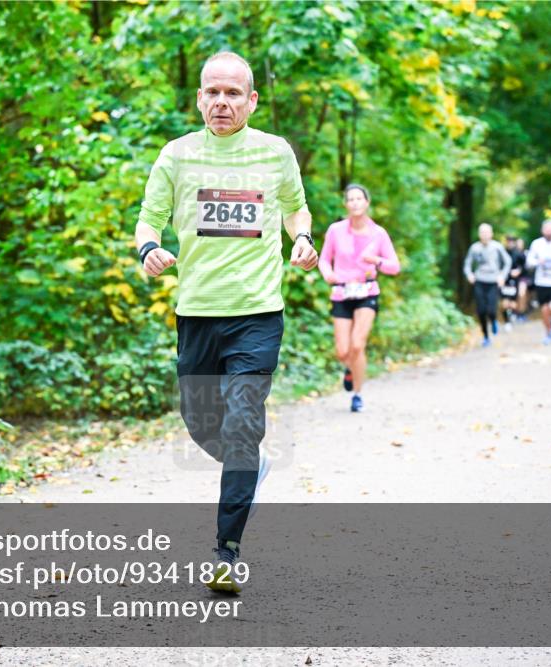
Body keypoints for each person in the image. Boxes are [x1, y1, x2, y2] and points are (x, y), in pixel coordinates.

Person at [134, 51, 318, 593]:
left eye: (233, 93)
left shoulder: (275, 152)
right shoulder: (176, 156)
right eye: (212, 92)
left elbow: (295, 207)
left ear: (251, 100)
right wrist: (149, 247)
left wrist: (302, 238)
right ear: (198, 98)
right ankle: (248, 467)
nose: (222, 102)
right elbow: (150, 218)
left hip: (258, 313)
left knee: (241, 424)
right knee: (202, 425)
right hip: (197, 312)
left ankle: (227, 552)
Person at [318, 184, 400, 412]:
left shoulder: (378, 234)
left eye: (359, 198)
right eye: (350, 199)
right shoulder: (335, 230)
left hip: (367, 292)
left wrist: (376, 260)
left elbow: (394, 266)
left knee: (357, 344)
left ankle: (357, 394)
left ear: (367, 202)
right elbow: (324, 259)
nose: (355, 202)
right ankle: (350, 368)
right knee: (343, 351)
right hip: (342, 292)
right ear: (346, 204)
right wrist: (328, 274)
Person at [463, 223, 512, 347]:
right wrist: (470, 275)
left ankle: (494, 319)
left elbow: (507, 262)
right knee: (481, 310)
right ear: (479, 234)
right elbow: (467, 264)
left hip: (493, 281)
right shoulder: (474, 248)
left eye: (487, 232)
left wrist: (502, 276)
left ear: (491, 234)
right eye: (482, 232)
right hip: (479, 281)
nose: (484, 235)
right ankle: (485, 336)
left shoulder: (497, 247)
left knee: (491, 309)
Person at [500, 235, 524, 330]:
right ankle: (507, 321)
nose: (509, 243)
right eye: (508, 241)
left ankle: (513, 315)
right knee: (505, 303)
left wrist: (518, 271)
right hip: (504, 280)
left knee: (513, 304)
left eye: (511, 241)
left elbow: (523, 266)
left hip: (515, 281)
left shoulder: (518, 254)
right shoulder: (502, 253)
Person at [514, 237, 531, 321]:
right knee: (515, 296)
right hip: (513, 278)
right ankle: (516, 313)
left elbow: (528, 266)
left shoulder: (526, 253)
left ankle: (522, 313)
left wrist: (520, 271)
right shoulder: (512, 253)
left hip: (523, 277)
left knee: (522, 294)